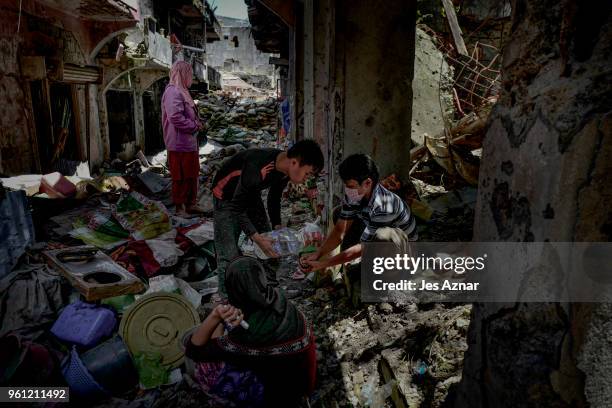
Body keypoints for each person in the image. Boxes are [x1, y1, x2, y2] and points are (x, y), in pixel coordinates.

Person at [185, 256, 316, 407]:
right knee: (229, 328)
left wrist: (216, 315)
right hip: (303, 382)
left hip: (281, 397)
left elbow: (193, 350)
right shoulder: (278, 299)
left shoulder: (248, 336)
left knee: (205, 369)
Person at [212, 140, 324, 298]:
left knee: (272, 245)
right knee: (228, 253)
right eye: (307, 174)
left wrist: (277, 227)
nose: (306, 179)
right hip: (225, 197)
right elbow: (237, 207)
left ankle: (269, 292)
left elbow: (274, 196)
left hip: (250, 194)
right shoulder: (257, 167)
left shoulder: (284, 170)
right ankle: (227, 301)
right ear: (294, 162)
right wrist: (256, 238)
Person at [302, 153, 417, 272]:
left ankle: (388, 277)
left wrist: (323, 264)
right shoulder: (356, 194)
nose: (348, 190)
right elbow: (339, 231)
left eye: (351, 186)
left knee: (382, 237)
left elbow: (364, 247)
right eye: (346, 186)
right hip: (376, 235)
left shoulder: (383, 205)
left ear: (367, 183)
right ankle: (350, 264)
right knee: (339, 213)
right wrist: (318, 254)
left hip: (405, 250)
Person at [162, 61, 206, 218]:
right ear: (182, 73)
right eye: (189, 73)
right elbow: (175, 117)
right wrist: (194, 125)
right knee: (180, 176)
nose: (192, 76)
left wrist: (198, 122)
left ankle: (191, 204)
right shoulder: (173, 91)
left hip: (188, 142)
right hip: (179, 143)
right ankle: (180, 209)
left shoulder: (183, 91)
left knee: (192, 174)